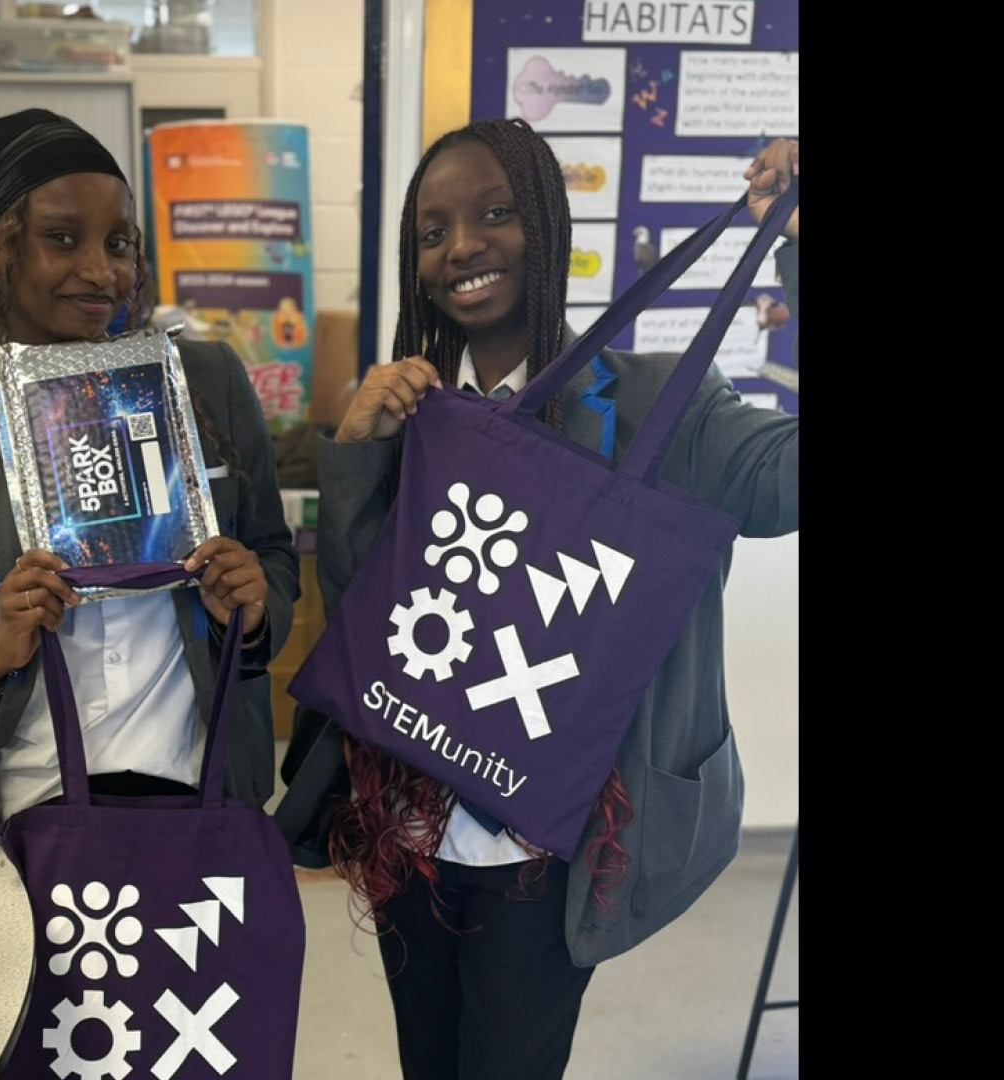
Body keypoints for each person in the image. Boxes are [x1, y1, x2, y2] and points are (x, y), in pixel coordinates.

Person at [312, 118, 799, 1078]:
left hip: (556, 855)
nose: (462, 248)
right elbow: (363, 621)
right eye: (432, 231)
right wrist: (357, 452)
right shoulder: (405, 414)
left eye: (496, 213)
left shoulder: (665, 404)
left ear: (548, 222)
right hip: (411, 838)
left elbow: (786, 480)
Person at [0, 109, 299, 838]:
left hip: (200, 793)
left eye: (119, 242)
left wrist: (252, 606)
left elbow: (273, 559)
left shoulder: (208, 383)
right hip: (30, 810)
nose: (102, 271)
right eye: (62, 239)